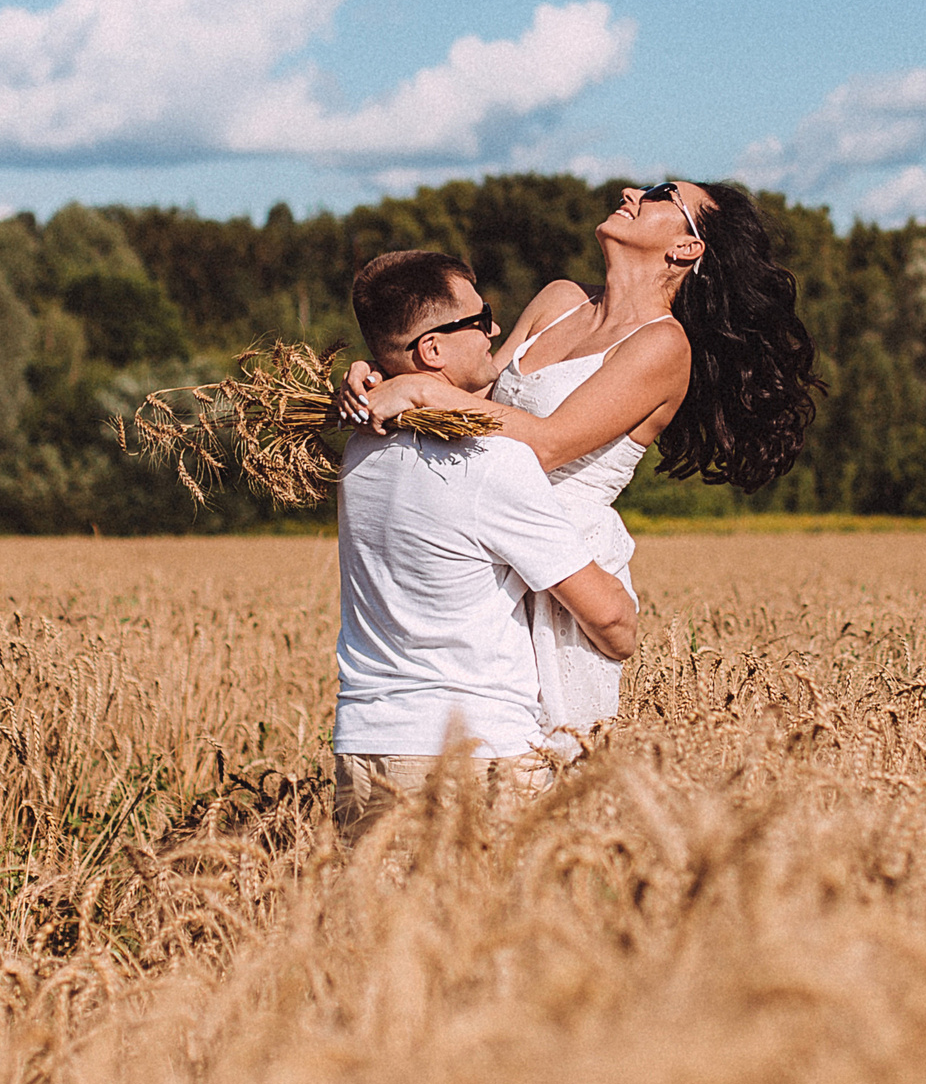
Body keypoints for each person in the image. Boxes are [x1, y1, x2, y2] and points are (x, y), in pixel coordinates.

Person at [340, 180, 821, 738]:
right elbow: (473, 394)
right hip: (488, 549)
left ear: (687, 248)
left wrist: (421, 393)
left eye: (663, 193)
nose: (632, 190)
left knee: (559, 763)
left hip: (570, 565)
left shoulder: (663, 346)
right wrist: (383, 373)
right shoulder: (559, 298)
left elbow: (547, 444)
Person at [331, 249, 639, 841]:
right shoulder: (493, 463)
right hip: (471, 759)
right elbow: (613, 625)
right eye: (481, 318)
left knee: (378, 934)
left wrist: (368, 373)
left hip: (363, 750)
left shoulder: (359, 450)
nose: (496, 329)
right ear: (433, 351)